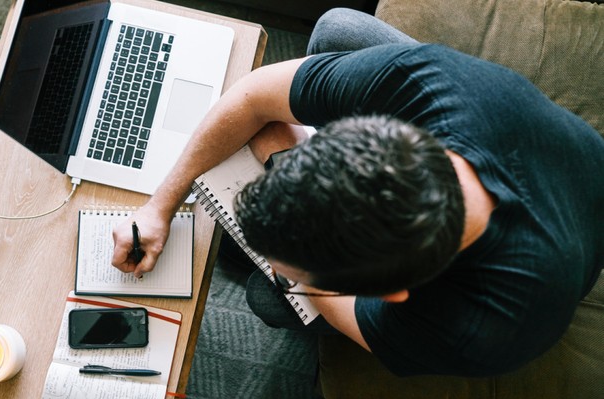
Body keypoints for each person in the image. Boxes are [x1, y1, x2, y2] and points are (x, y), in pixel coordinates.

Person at [110, 8, 604, 377]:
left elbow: (353, 317)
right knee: (337, 30)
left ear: (390, 294)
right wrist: (160, 205)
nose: (285, 272)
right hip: (560, 165)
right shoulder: (427, 83)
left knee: (268, 297)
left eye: (302, 275)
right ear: (369, 131)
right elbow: (254, 93)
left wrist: (292, 284)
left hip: (567, 260)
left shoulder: (474, 330)